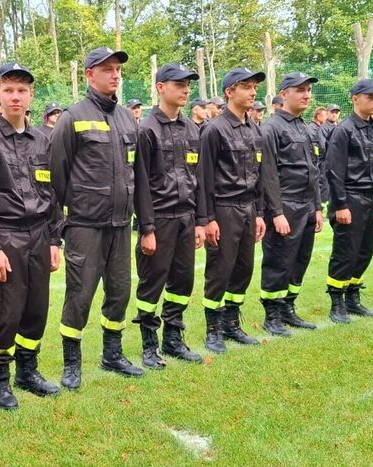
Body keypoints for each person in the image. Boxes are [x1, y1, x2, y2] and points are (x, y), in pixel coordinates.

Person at [0, 62, 61, 410]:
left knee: (37, 306)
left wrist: (55, 240)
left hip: (39, 234)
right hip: (6, 235)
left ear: (31, 95)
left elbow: (52, 192)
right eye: (8, 90)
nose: (15, 96)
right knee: (6, 309)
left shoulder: (43, 138)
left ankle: (28, 369)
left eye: (22, 90)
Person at [51, 47, 143, 391]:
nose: (115, 74)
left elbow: (136, 172)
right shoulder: (71, 117)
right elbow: (57, 178)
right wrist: (57, 232)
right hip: (85, 227)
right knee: (79, 294)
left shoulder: (126, 119)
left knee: (119, 292)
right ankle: (72, 363)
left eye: (117, 69)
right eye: (106, 69)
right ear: (89, 75)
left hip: (120, 226)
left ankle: (112, 353)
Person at [132, 63, 206, 369]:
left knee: (182, 281)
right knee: (152, 283)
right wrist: (147, 228)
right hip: (159, 218)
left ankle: (173, 339)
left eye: (188, 84)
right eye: (178, 83)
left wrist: (201, 221)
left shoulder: (191, 128)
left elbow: (198, 178)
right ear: (161, 87)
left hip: (186, 218)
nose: (186, 89)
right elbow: (141, 184)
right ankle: (149, 345)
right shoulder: (146, 129)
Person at [199, 67, 266, 353]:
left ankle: (231, 324)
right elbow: (203, 178)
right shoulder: (214, 129)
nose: (253, 92)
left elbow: (259, 174)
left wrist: (260, 212)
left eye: (254, 87)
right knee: (220, 268)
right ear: (229, 92)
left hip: (248, 208)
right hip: (224, 208)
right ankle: (213, 329)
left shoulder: (254, 129)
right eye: (246, 87)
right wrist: (208, 219)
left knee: (243, 268)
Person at [258, 72, 323, 336]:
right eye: (300, 90)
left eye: (308, 90)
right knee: (278, 260)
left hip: (307, 206)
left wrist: (318, 208)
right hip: (285, 206)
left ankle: (288, 308)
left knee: (300, 260)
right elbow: (269, 174)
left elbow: (314, 170)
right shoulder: (271, 128)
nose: (306, 95)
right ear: (284, 94)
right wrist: (277, 212)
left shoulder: (305, 128)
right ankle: (272, 315)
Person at [325, 79, 373, 323]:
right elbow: (334, 170)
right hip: (351, 198)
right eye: (370, 96)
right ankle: (337, 303)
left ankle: (353, 299)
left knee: (364, 251)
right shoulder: (344, 130)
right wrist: (340, 205)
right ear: (355, 99)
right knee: (346, 252)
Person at [309, 107, 330, 204]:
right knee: (321, 183)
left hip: (321, 160)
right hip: (316, 161)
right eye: (325, 115)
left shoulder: (320, 128)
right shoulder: (312, 129)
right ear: (318, 116)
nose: (327, 117)